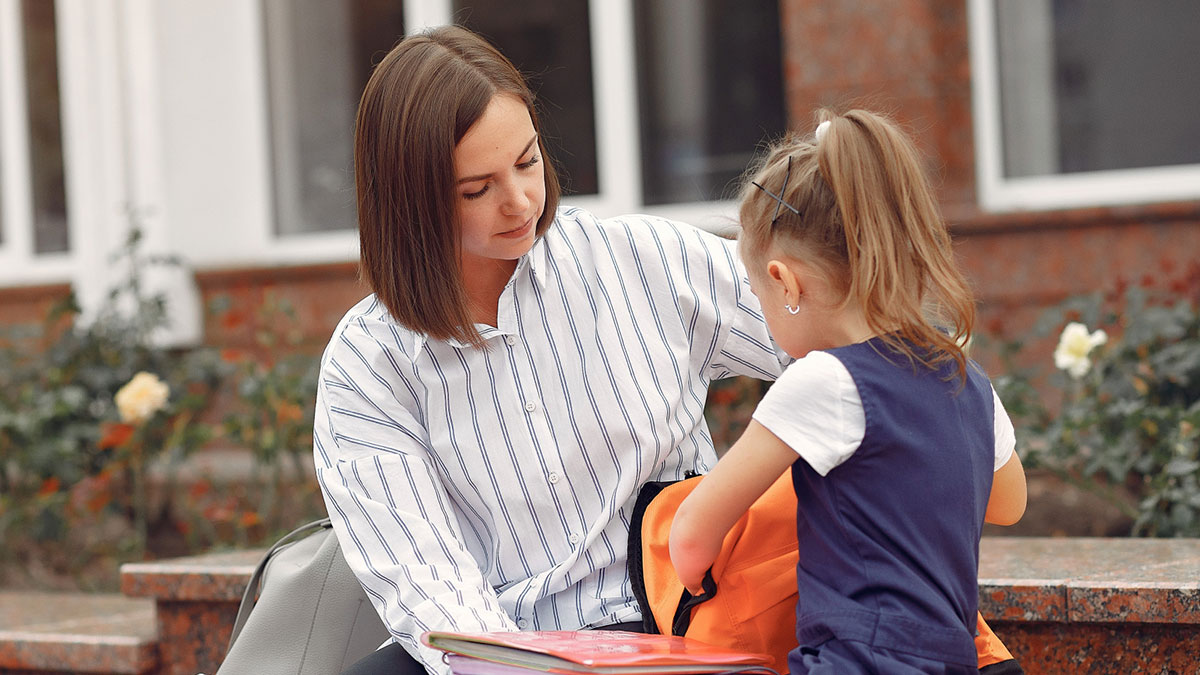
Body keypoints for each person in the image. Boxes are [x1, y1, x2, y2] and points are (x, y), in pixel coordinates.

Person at [312, 25, 788, 675]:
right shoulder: (369, 364)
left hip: (682, 615)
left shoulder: (642, 260)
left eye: (528, 161)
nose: (519, 202)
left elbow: (835, 341)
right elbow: (425, 580)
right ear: (410, 202)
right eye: (475, 189)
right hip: (505, 641)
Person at [669, 110, 1028, 674]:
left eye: (759, 291)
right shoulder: (965, 377)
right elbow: (1010, 503)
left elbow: (692, 534)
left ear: (786, 283)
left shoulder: (822, 381)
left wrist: (696, 585)